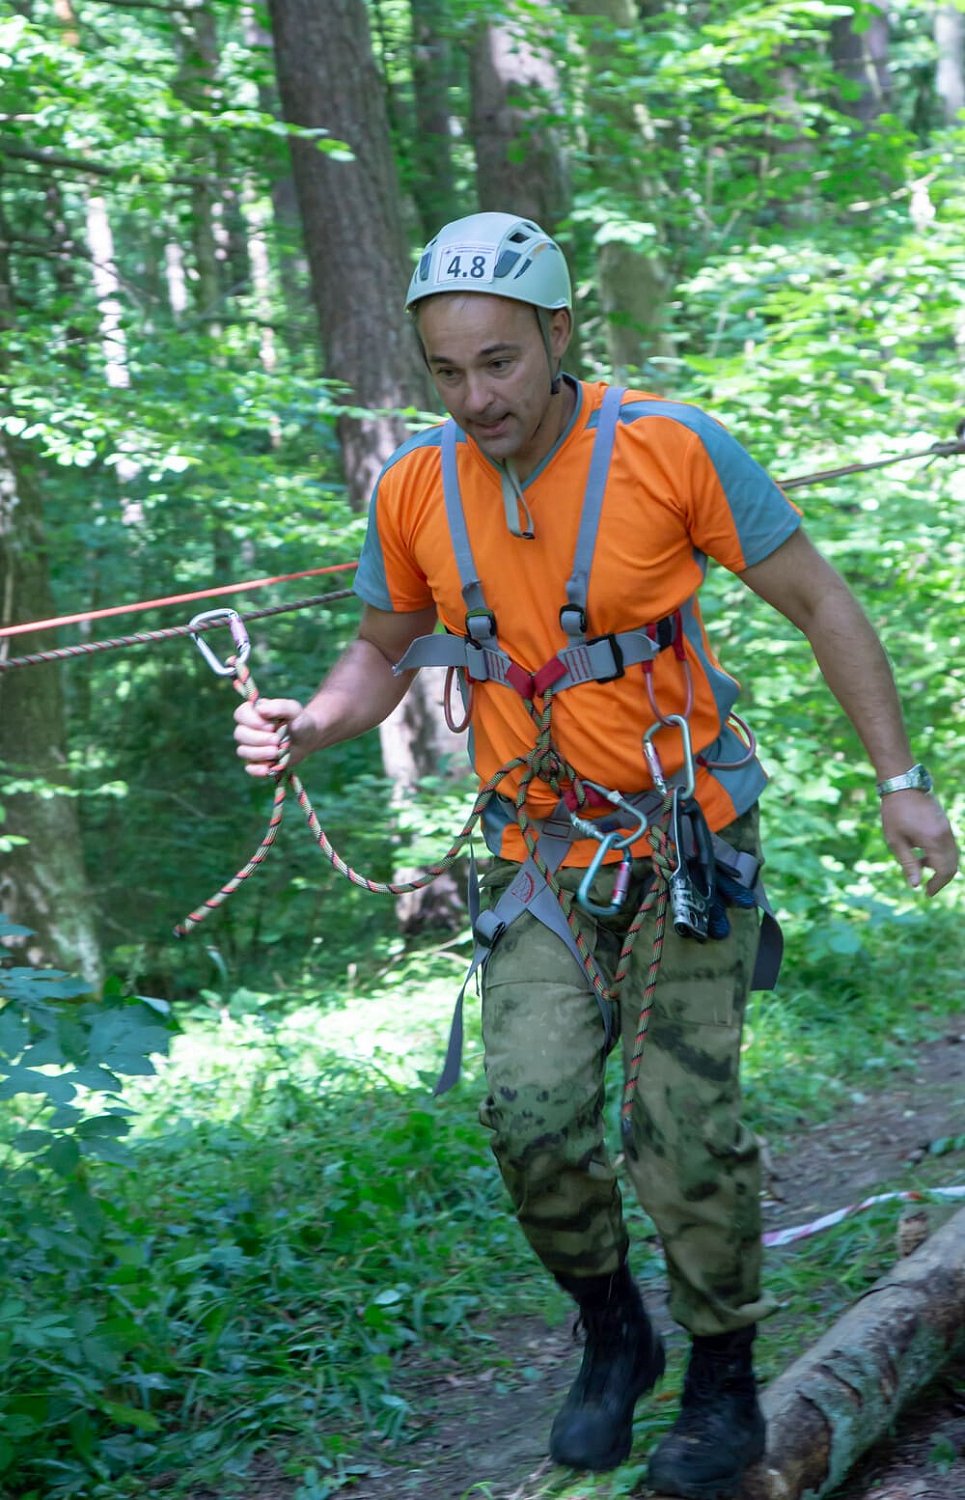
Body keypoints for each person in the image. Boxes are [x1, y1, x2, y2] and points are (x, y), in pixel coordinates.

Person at [233, 213, 959, 1498]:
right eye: (447, 371)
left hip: (688, 837)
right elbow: (381, 646)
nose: (475, 397)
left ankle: (723, 1381)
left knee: (678, 1127)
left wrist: (900, 787)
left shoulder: (667, 450)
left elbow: (817, 602)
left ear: (559, 335)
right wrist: (313, 724)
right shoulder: (414, 484)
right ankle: (611, 1330)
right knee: (526, 1114)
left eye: (499, 363)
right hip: (536, 850)